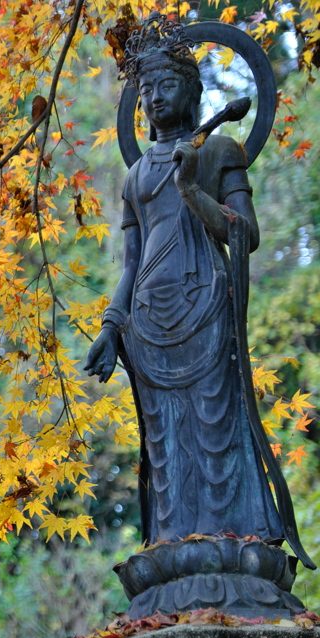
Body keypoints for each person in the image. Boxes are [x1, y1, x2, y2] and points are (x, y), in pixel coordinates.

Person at [83, 15, 314, 569]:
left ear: (195, 91)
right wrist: (111, 327)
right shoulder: (137, 177)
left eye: (167, 86)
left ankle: (237, 537)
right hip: (148, 323)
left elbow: (245, 233)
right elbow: (132, 264)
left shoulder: (220, 151)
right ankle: (172, 540)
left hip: (206, 307)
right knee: (165, 442)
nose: (156, 99)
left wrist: (191, 187)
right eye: (146, 92)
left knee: (216, 424)